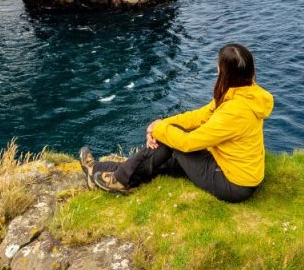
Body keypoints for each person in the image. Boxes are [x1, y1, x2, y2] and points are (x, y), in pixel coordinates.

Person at [78, 43, 273, 203]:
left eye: (218, 66)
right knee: (164, 162)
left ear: (225, 73)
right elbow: (198, 116)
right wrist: (160, 124)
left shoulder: (236, 110)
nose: (216, 69)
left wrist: (160, 130)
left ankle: (119, 180)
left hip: (234, 184)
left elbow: (188, 142)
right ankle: (97, 171)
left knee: (172, 143)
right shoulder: (244, 93)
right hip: (230, 166)